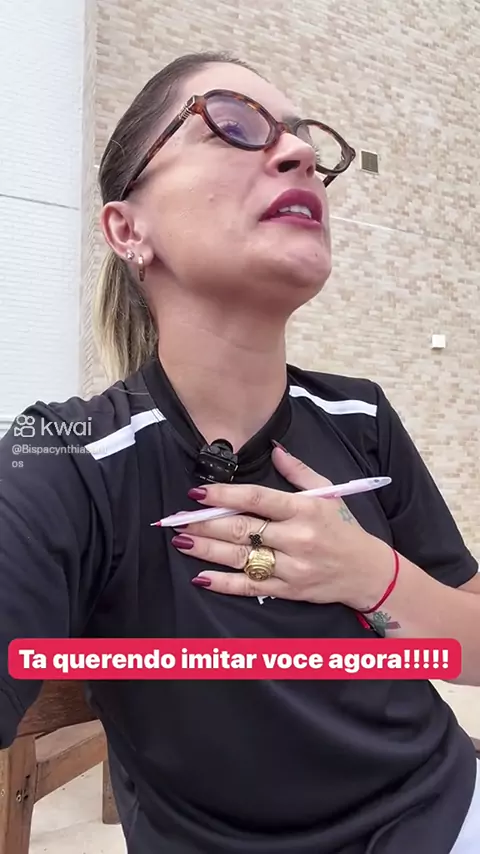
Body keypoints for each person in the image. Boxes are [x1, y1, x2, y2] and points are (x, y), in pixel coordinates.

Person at [1, 50, 479, 854]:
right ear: (127, 229)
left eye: (305, 141)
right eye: (233, 123)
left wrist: (371, 575)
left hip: (448, 815)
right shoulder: (69, 455)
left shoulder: (360, 415)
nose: (298, 155)